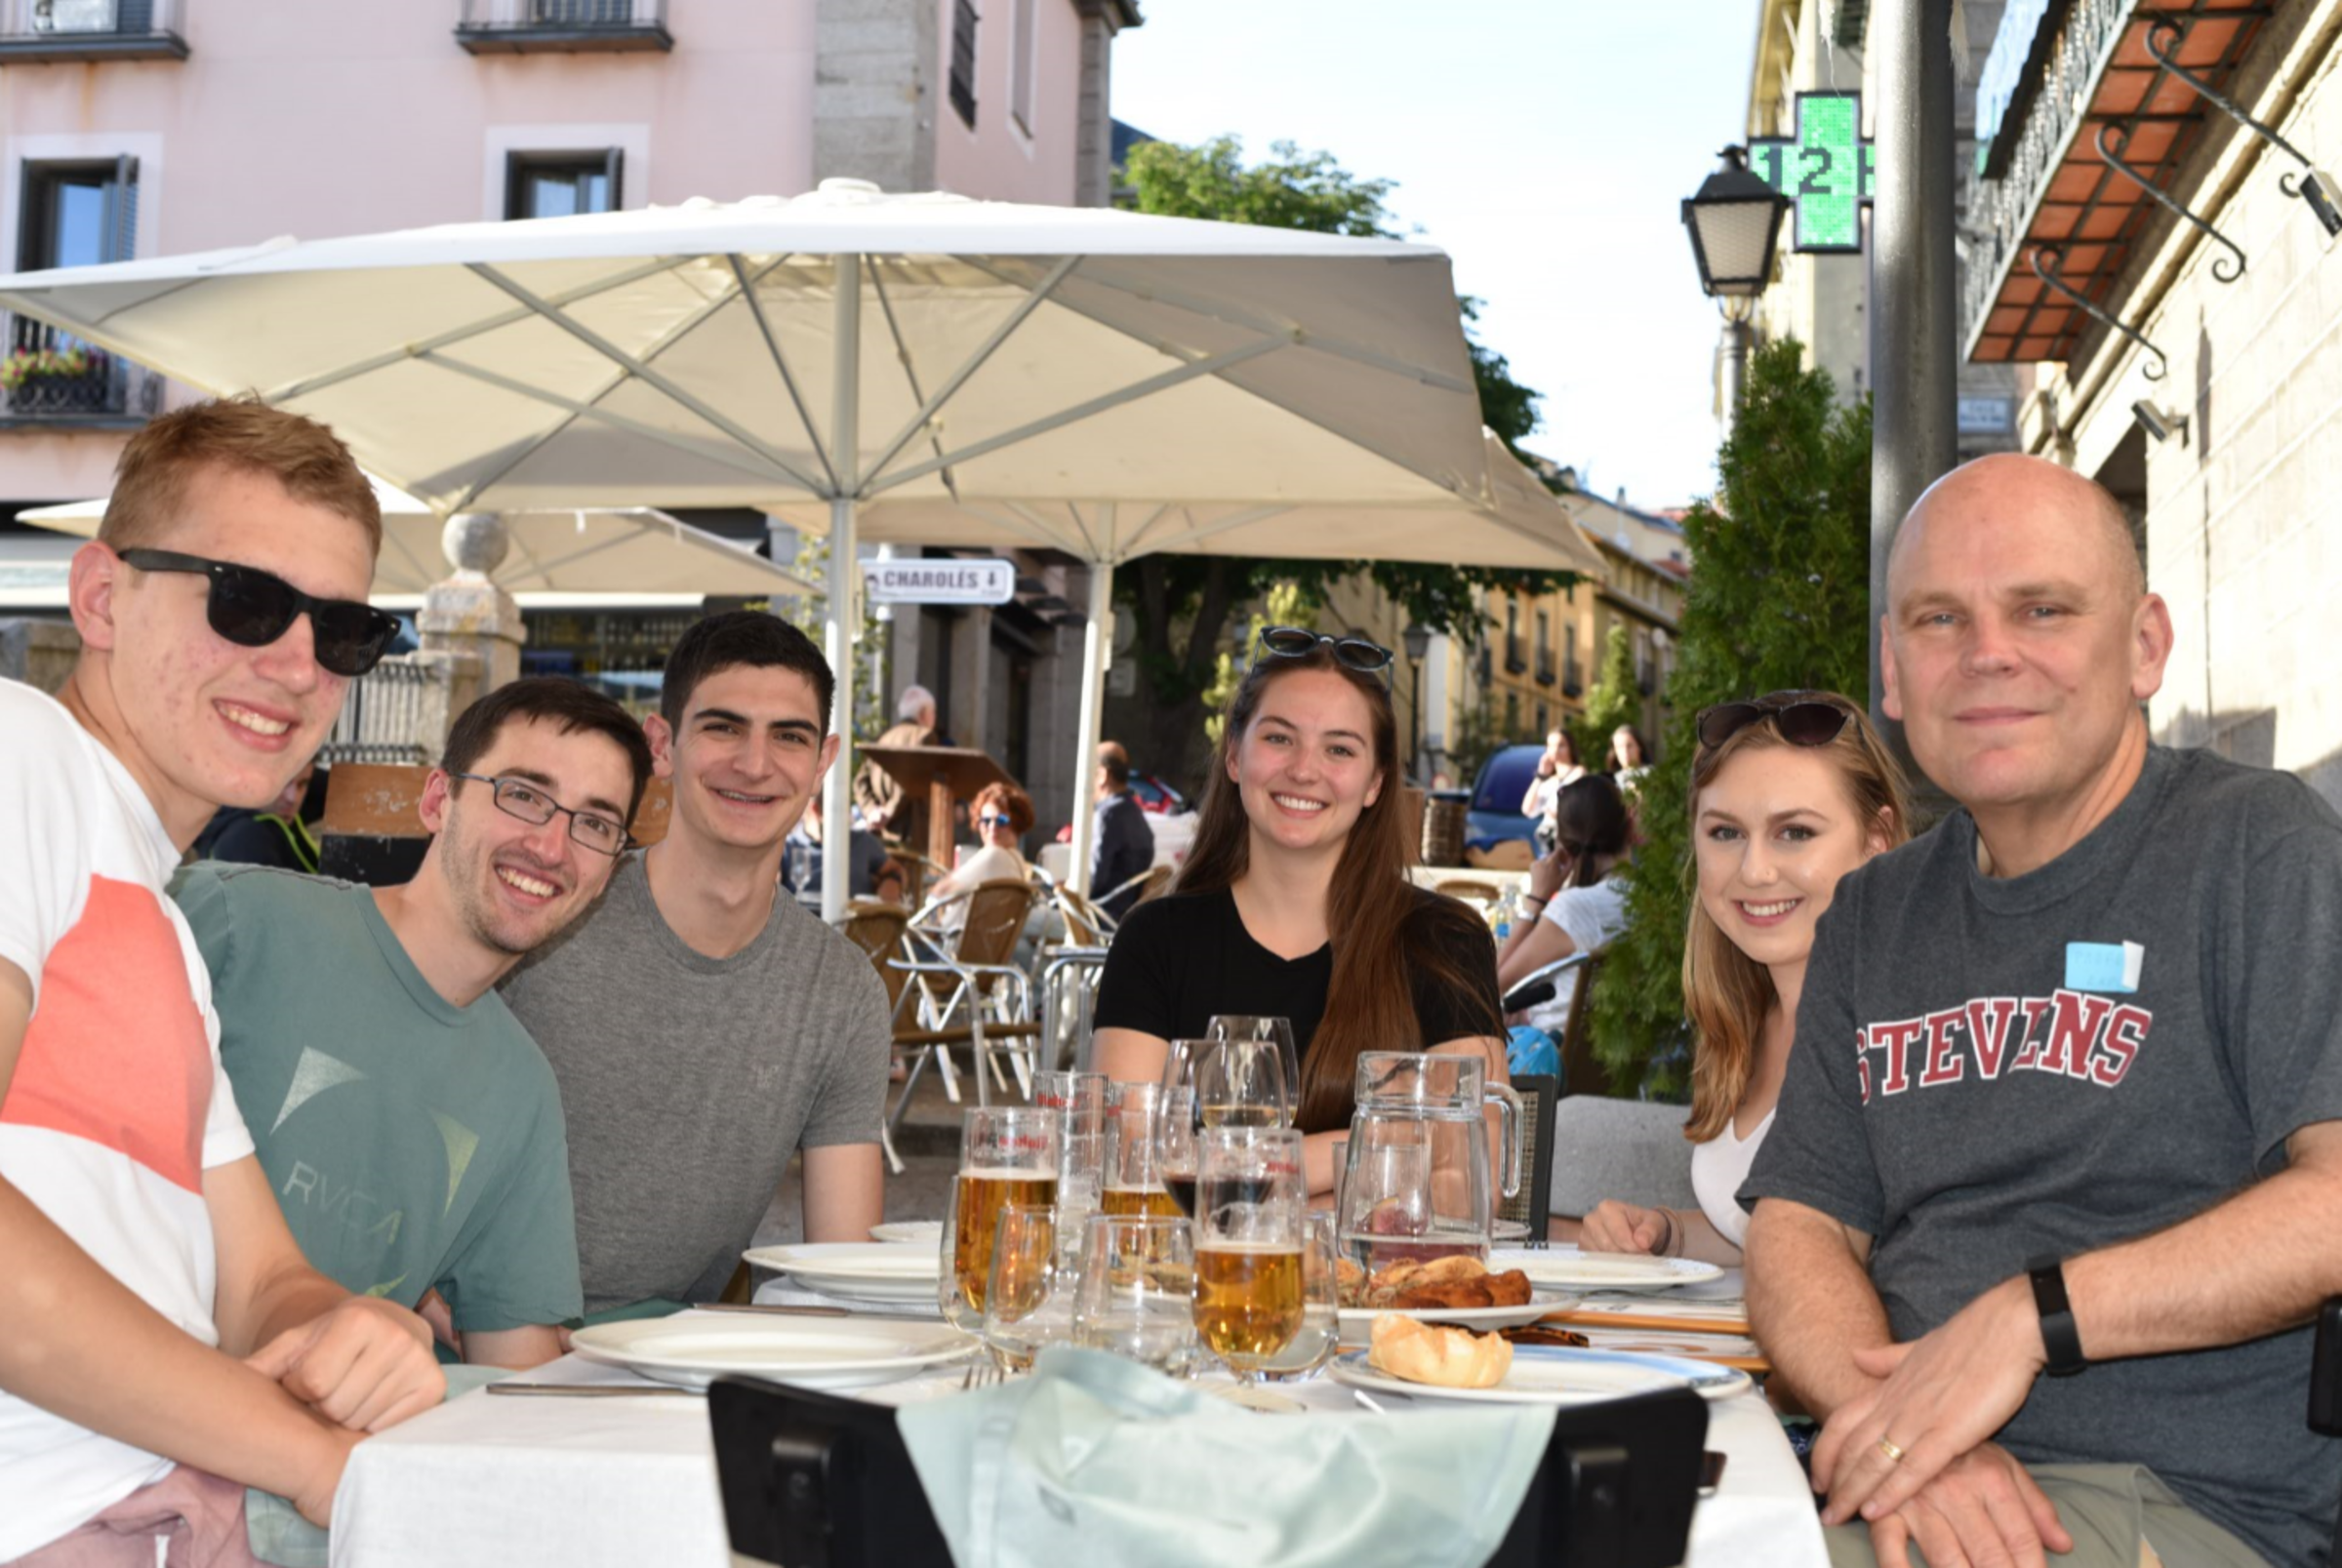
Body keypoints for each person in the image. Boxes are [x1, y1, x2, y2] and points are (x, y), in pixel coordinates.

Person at [1743, 453, 2342, 1568]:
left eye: (2044, 608)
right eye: (1939, 618)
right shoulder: (1875, 913)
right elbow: (1799, 1227)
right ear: (1892, 665)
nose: (1988, 654)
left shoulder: (2258, 845)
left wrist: (2033, 1318)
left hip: (2180, 1500)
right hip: (1907, 1474)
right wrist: (1908, 1441)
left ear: (2145, 644)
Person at [0, 398, 441, 1560]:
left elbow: (260, 1282)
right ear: (99, 595)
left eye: (344, 630)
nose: (297, 664)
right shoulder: (20, 754)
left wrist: (341, 1330)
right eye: (246, 601)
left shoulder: (159, 924)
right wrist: (309, 1453)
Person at [172, 679, 655, 1371]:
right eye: (523, 794)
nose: (552, 846)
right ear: (438, 800)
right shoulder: (232, 920)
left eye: (596, 824)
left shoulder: (522, 1092)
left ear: (609, 871)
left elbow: (511, 1373)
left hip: (325, 1451)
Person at [502, 612, 889, 1318]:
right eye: (722, 726)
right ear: (662, 744)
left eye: (790, 736)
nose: (754, 762)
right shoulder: (548, 909)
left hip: (667, 1356)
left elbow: (845, 1273)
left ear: (825, 760)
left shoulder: (842, 993)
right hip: (471, 1333)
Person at [1092, 626, 1506, 1197]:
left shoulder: (1444, 939)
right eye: (1280, 739)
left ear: (1375, 783)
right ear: (1235, 755)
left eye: (1339, 749)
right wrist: (1389, 1147)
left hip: (1380, 1286)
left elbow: (1466, 1176)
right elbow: (1127, 1166)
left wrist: (1251, 1165)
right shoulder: (1154, 939)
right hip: (1198, 1284)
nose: (1304, 770)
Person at [1577, 692, 1906, 1266]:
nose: (1754, 871)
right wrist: (1667, 1234)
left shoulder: (1905, 1032)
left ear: (1876, 839)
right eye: (1726, 833)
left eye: (1795, 832)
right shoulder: (1746, 1018)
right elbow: (1762, 1238)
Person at [1493, 773, 1632, 1041]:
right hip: (1610, 1065)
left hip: (1553, 1068)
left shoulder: (1577, 910)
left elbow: (1491, 987)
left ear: (1564, 845)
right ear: (1627, 828)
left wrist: (1536, 898)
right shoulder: (1641, 900)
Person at [925, 782, 1034, 931]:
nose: (992, 828)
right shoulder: (1017, 861)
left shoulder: (994, 855)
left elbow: (939, 894)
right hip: (986, 948)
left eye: (1001, 821)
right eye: (986, 821)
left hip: (949, 948)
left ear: (1016, 823)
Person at [192, 755, 328, 872]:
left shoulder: (270, 808)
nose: (293, 798)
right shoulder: (247, 839)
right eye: (284, 782)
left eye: (302, 785)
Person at [851, 682, 942, 841]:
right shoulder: (925, 736)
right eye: (933, 713)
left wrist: (872, 811)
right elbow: (911, 780)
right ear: (923, 713)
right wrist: (889, 811)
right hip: (912, 835)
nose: (935, 719)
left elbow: (860, 781)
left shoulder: (883, 739)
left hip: (881, 835)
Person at [785, 789, 904, 907]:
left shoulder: (862, 841)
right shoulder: (787, 847)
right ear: (816, 810)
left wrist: (893, 881)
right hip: (800, 922)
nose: (847, 818)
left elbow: (896, 870)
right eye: (837, 811)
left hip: (853, 922)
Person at [1091, 741, 1155, 922]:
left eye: (1091, 772)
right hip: (1126, 917)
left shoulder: (1107, 815)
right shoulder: (1136, 814)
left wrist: (1062, 890)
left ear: (1103, 775)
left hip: (1096, 918)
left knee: (1025, 922)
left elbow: (1093, 880)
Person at [1519, 727, 1586, 858]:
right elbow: (1528, 809)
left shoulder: (1578, 772)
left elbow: (1565, 806)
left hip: (1569, 842)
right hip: (1547, 841)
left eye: (1561, 745)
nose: (1555, 750)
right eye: (1550, 745)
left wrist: (1550, 810)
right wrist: (1540, 776)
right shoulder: (1548, 781)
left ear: (1570, 747)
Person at [1607, 723, 1651, 794]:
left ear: (1640, 747)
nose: (1625, 751)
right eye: (1619, 747)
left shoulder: (1651, 775)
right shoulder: (1611, 780)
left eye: (1629, 746)